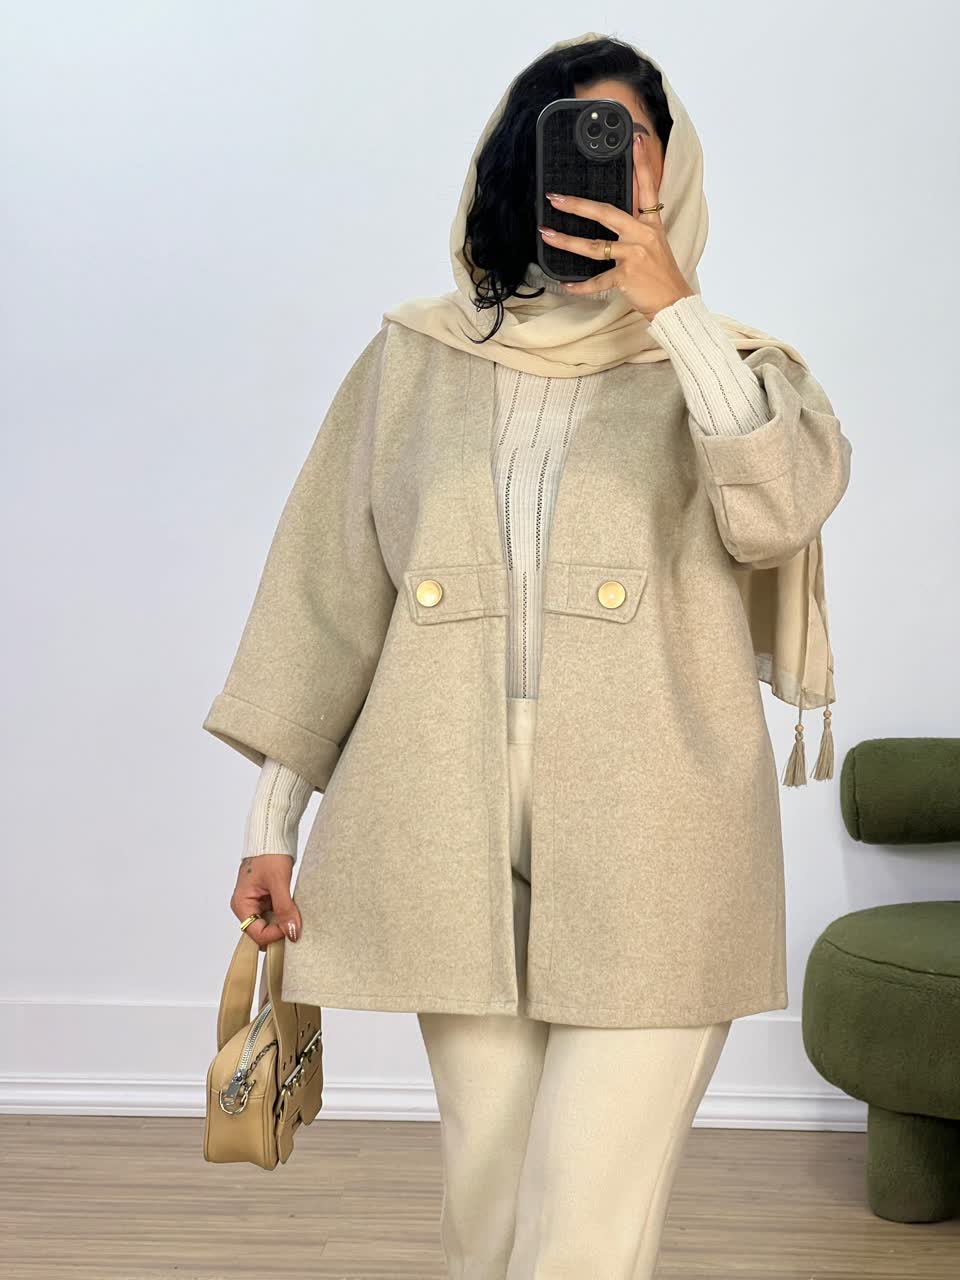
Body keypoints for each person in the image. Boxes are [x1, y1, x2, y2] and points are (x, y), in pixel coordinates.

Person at [204, 30, 852, 1278]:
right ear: (519, 164)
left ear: (670, 165)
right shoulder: (417, 357)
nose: (604, 164)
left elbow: (776, 511)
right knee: (490, 1210)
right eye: (569, 140)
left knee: (582, 1228)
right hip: (442, 818)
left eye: (627, 139)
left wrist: (675, 311)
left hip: (658, 824)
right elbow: (329, 597)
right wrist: (271, 822)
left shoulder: (736, 371)